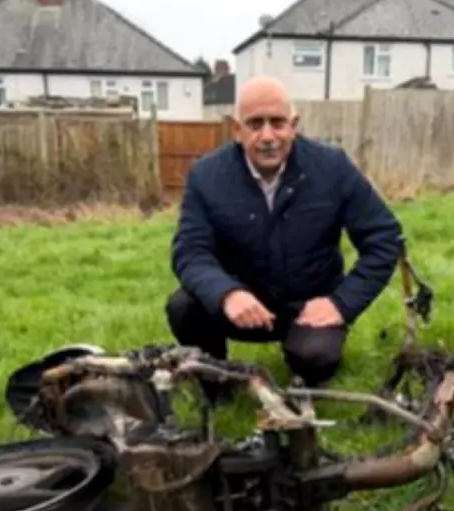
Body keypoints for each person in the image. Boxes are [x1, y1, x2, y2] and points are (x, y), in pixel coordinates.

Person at [164, 76, 403, 395]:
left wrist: (340, 303)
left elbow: (385, 239)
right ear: (237, 130)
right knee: (183, 307)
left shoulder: (333, 168)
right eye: (255, 124)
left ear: (294, 124)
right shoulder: (206, 176)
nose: (267, 136)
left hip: (307, 307)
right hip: (242, 305)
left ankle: (305, 373)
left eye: (277, 123)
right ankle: (216, 381)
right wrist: (226, 293)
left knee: (315, 358)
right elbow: (190, 252)